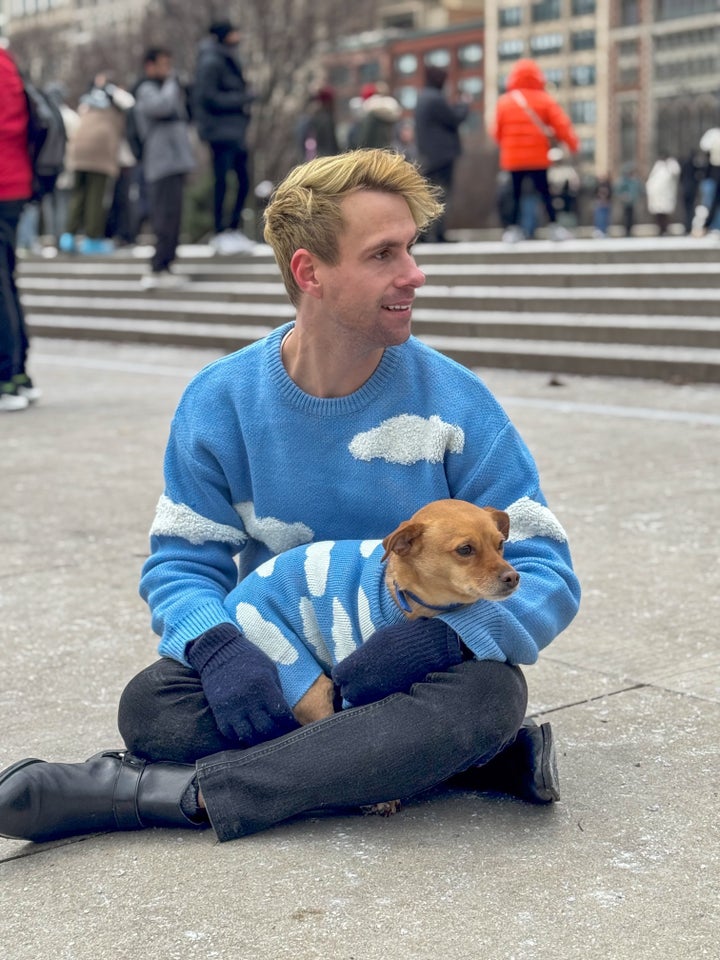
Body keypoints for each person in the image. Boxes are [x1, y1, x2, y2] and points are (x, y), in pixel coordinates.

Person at [0, 149, 581, 844]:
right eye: (384, 254)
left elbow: (544, 568)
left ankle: (161, 796)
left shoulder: (459, 404)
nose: (413, 274)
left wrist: (443, 640)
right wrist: (218, 648)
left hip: (421, 677)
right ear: (310, 272)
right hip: (286, 654)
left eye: (412, 249)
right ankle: (442, 763)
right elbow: (183, 565)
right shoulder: (220, 402)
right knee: (153, 706)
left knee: (488, 697)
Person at [491, 59, 579, 243]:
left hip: (513, 159)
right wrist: (572, 144)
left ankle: (513, 230)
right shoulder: (544, 99)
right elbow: (561, 124)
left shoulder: (505, 102)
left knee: (515, 194)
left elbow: (496, 133)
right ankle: (554, 227)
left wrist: (509, 146)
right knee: (545, 192)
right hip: (538, 157)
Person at [0, 44, 42, 412]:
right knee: (6, 280)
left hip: (3, 183)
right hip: (14, 184)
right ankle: (18, 373)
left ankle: (6, 376)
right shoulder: (8, 62)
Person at [133, 47, 196, 289]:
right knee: (164, 217)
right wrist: (172, 83)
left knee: (175, 216)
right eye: (162, 65)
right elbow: (162, 107)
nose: (167, 70)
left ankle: (167, 264)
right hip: (160, 163)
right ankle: (157, 267)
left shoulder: (165, 88)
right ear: (149, 66)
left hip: (175, 161)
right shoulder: (146, 89)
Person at [193, 20, 255, 256]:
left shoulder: (226, 58)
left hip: (234, 131)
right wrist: (242, 99)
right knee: (223, 182)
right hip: (221, 133)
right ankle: (221, 231)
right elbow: (207, 96)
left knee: (243, 181)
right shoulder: (211, 61)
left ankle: (233, 228)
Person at [61, 73, 135, 255]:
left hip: (78, 149)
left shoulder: (87, 101)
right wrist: (112, 88)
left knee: (79, 194)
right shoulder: (114, 100)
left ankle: (68, 237)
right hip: (99, 152)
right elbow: (131, 103)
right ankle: (92, 239)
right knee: (96, 196)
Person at [414, 66, 469, 242]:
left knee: (429, 196)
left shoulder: (423, 98)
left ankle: (425, 234)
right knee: (441, 195)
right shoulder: (435, 99)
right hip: (442, 156)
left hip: (429, 155)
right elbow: (454, 118)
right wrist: (463, 104)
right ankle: (436, 234)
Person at [40, 83, 80, 250]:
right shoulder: (69, 116)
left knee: (51, 205)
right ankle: (61, 238)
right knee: (63, 204)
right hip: (63, 166)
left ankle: (56, 238)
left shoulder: (44, 114)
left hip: (47, 167)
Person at [354, 82, 403, 151]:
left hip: (372, 150)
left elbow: (365, 136)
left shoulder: (370, 108)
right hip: (390, 150)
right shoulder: (393, 108)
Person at [645, 152, 680, 236]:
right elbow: (652, 180)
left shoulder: (671, 165)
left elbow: (675, 172)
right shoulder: (658, 166)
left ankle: (665, 229)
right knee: (658, 214)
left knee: (665, 214)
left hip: (666, 195)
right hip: (657, 195)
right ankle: (661, 229)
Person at [614, 163, 642, 237]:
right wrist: (623, 196)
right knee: (626, 217)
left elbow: (639, 189)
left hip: (632, 202)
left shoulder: (634, 180)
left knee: (631, 217)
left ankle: (630, 230)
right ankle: (626, 230)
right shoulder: (622, 181)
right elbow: (618, 190)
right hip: (625, 202)